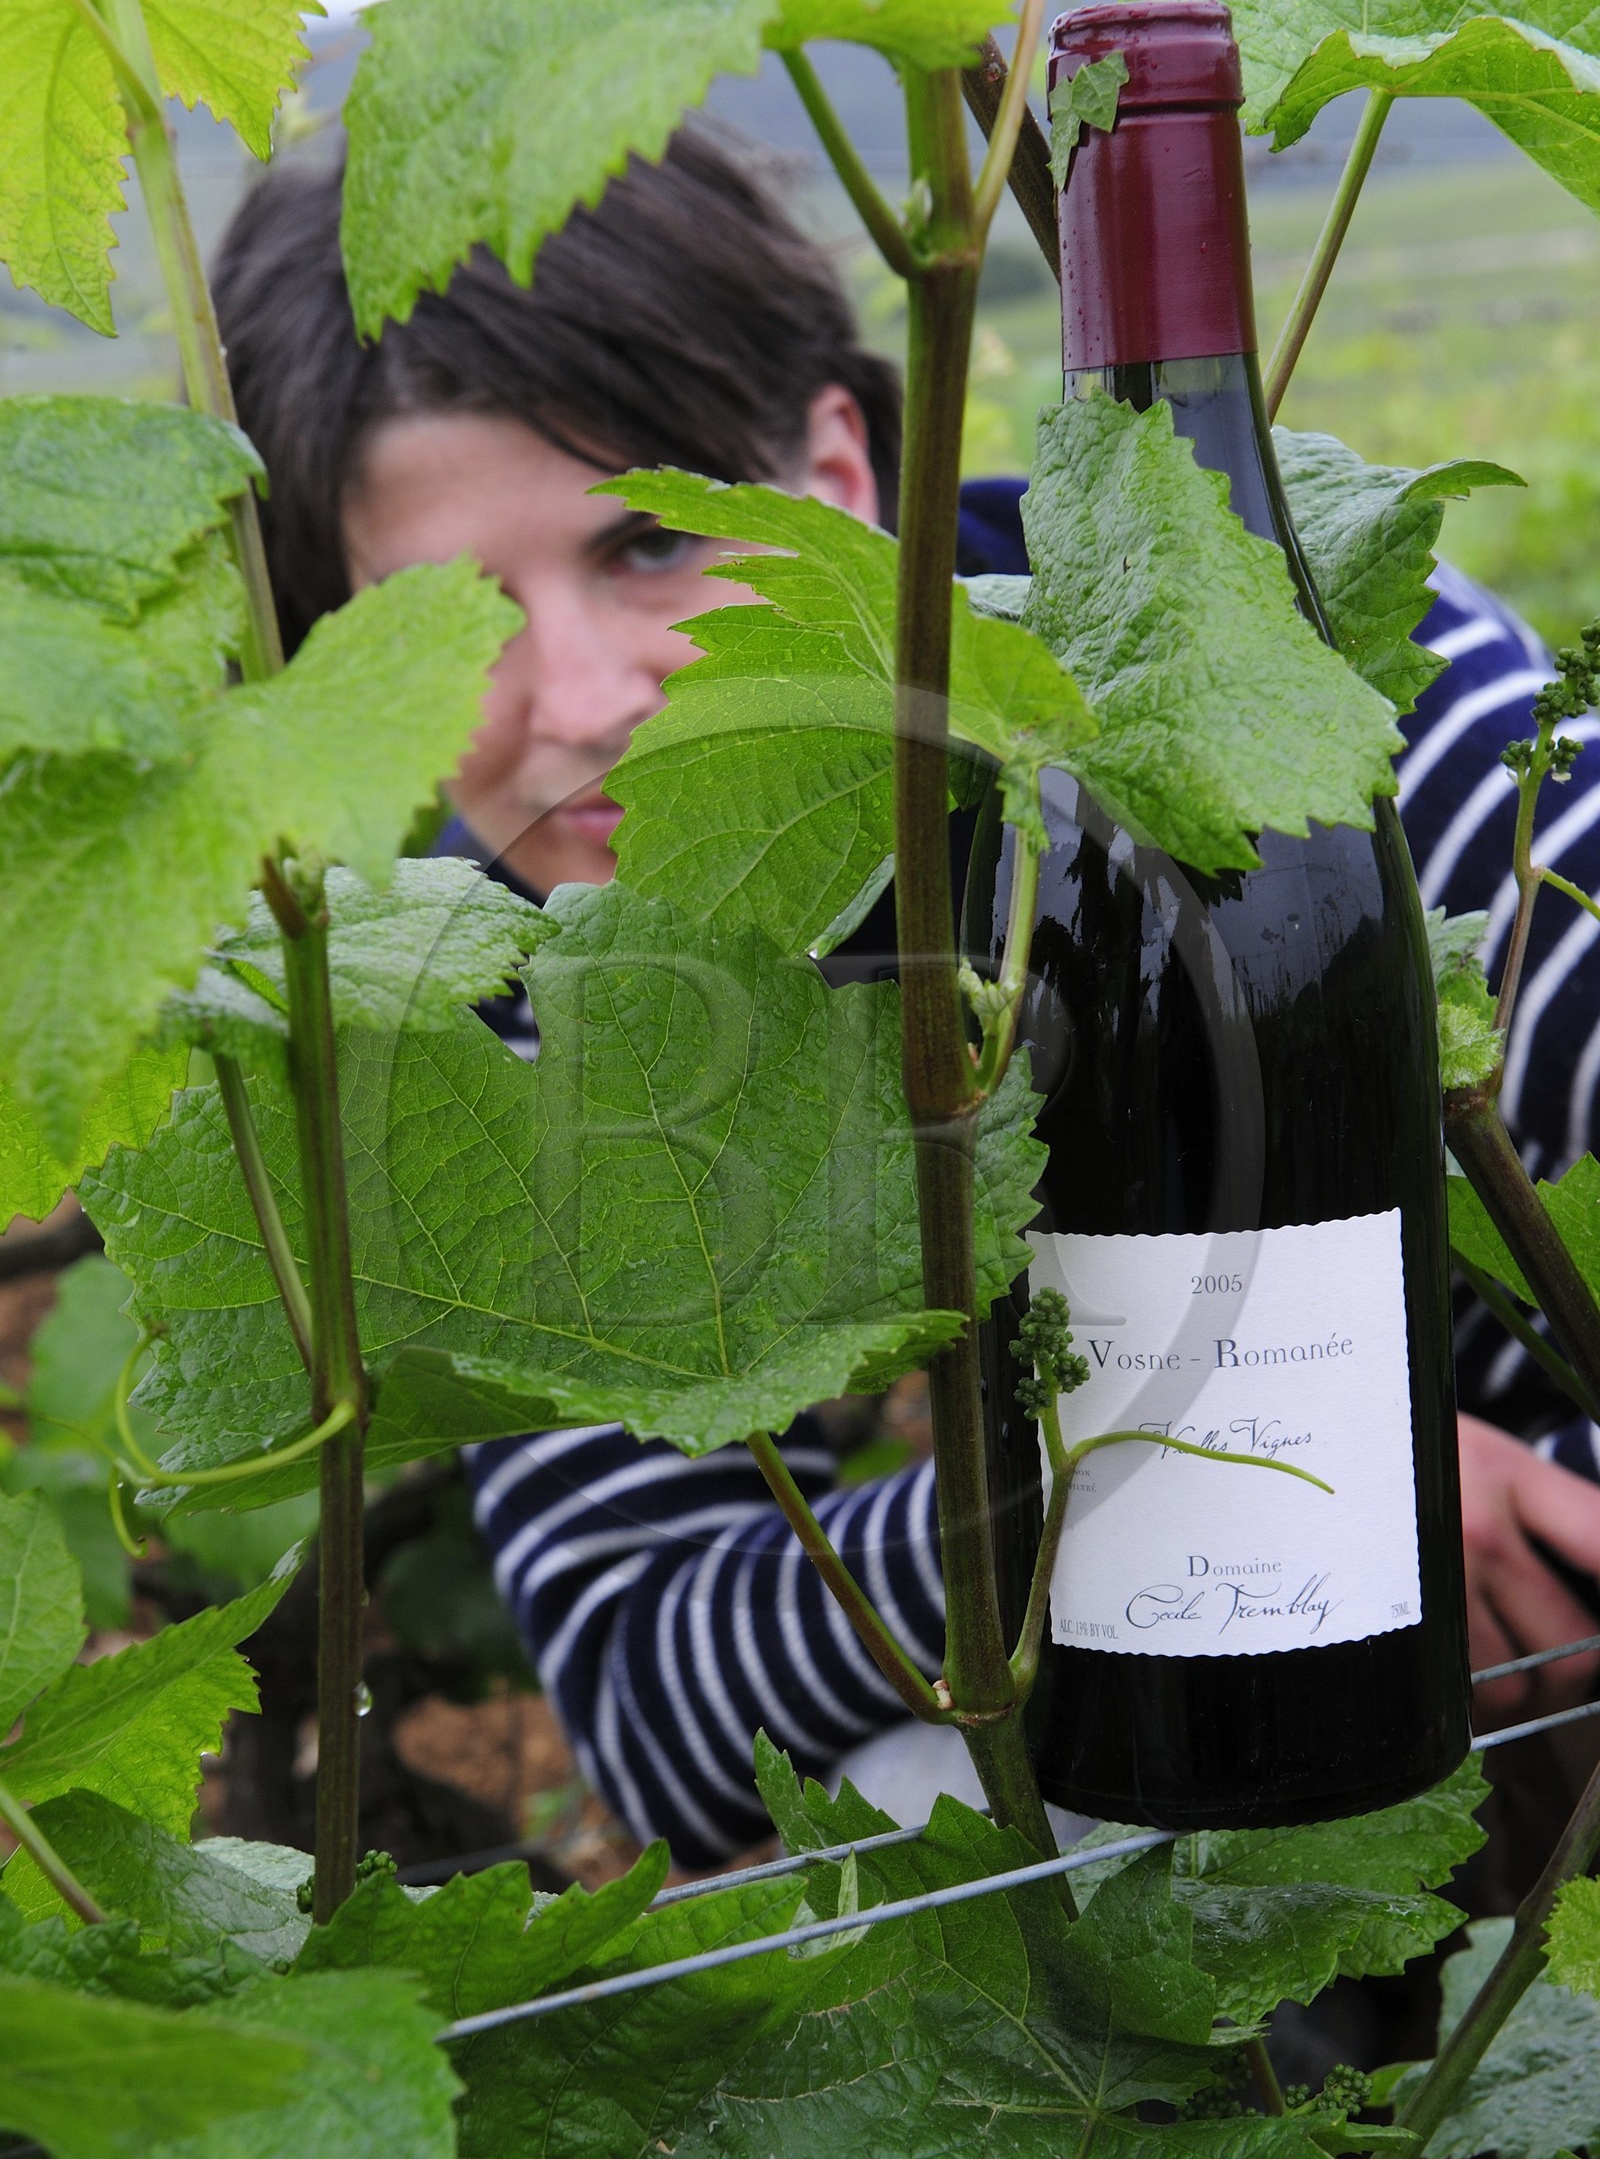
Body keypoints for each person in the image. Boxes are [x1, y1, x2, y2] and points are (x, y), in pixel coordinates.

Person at [212, 129, 1600, 1868]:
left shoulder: (1288, 689)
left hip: (1548, 1655)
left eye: (647, 545)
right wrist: (1153, 1479)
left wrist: (1433, 1491)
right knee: (894, 1814)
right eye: (441, 614)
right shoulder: (502, 971)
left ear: (840, 467)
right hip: (1139, 1773)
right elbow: (654, 1695)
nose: (568, 700)